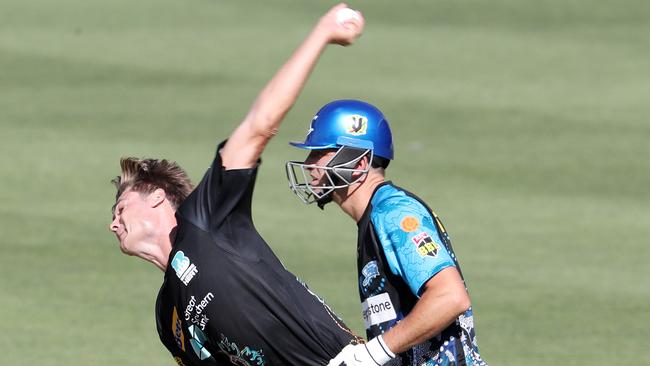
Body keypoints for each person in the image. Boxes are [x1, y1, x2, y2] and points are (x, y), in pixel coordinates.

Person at [108, 6, 366, 365]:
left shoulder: (207, 218)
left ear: (156, 197)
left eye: (121, 208)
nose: (113, 223)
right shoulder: (169, 318)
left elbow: (259, 126)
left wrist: (322, 33)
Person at [286, 100, 488, 366]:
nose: (309, 164)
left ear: (358, 163)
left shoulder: (393, 213)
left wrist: (372, 354)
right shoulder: (373, 217)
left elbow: (450, 297)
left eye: (320, 153)